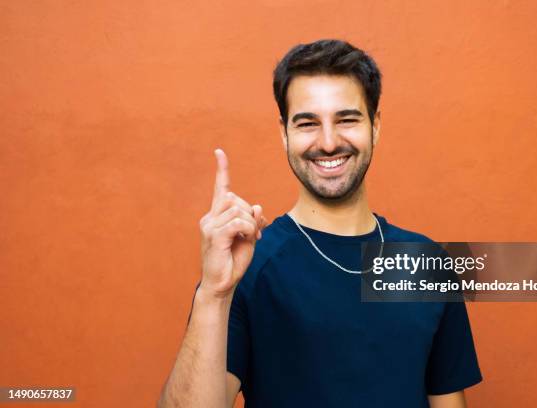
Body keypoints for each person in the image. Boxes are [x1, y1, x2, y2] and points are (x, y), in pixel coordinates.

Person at [158, 39, 482, 408]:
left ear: (375, 126)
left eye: (347, 119)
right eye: (308, 123)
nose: (328, 143)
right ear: (284, 134)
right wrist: (213, 295)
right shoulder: (244, 269)